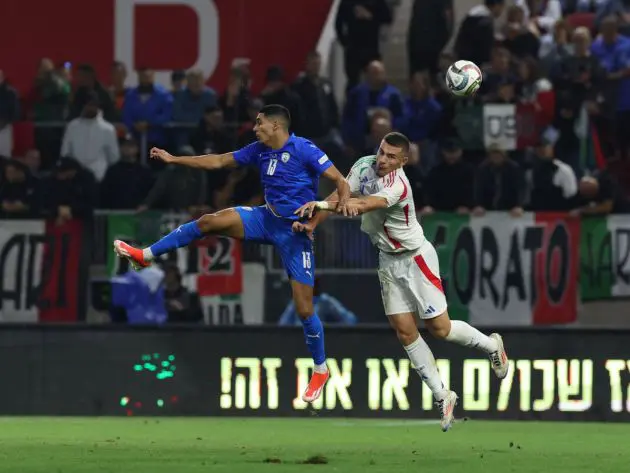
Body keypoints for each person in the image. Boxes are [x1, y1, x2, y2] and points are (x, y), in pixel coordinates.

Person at [113, 104, 351, 403]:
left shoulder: (303, 148)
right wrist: (175, 159)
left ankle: (320, 368)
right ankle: (145, 255)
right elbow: (219, 161)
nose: (255, 128)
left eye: (259, 123)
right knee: (208, 222)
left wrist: (322, 212)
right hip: (266, 218)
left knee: (304, 309)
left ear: (276, 126)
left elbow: (342, 182)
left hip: (295, 234)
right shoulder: (259, 149)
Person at [293, 132, 509, 431]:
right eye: (382, 152)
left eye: (391, 156)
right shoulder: (364, 165)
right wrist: (312, 222)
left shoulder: (399, 185)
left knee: (440, 330)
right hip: (387, 260)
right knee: (405, 332)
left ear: (403, 161)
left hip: (415, 258)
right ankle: (442, 394)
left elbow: (364, 204)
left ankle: (491, 345)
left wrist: (324, 205)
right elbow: (339, 195)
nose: (382, 160)